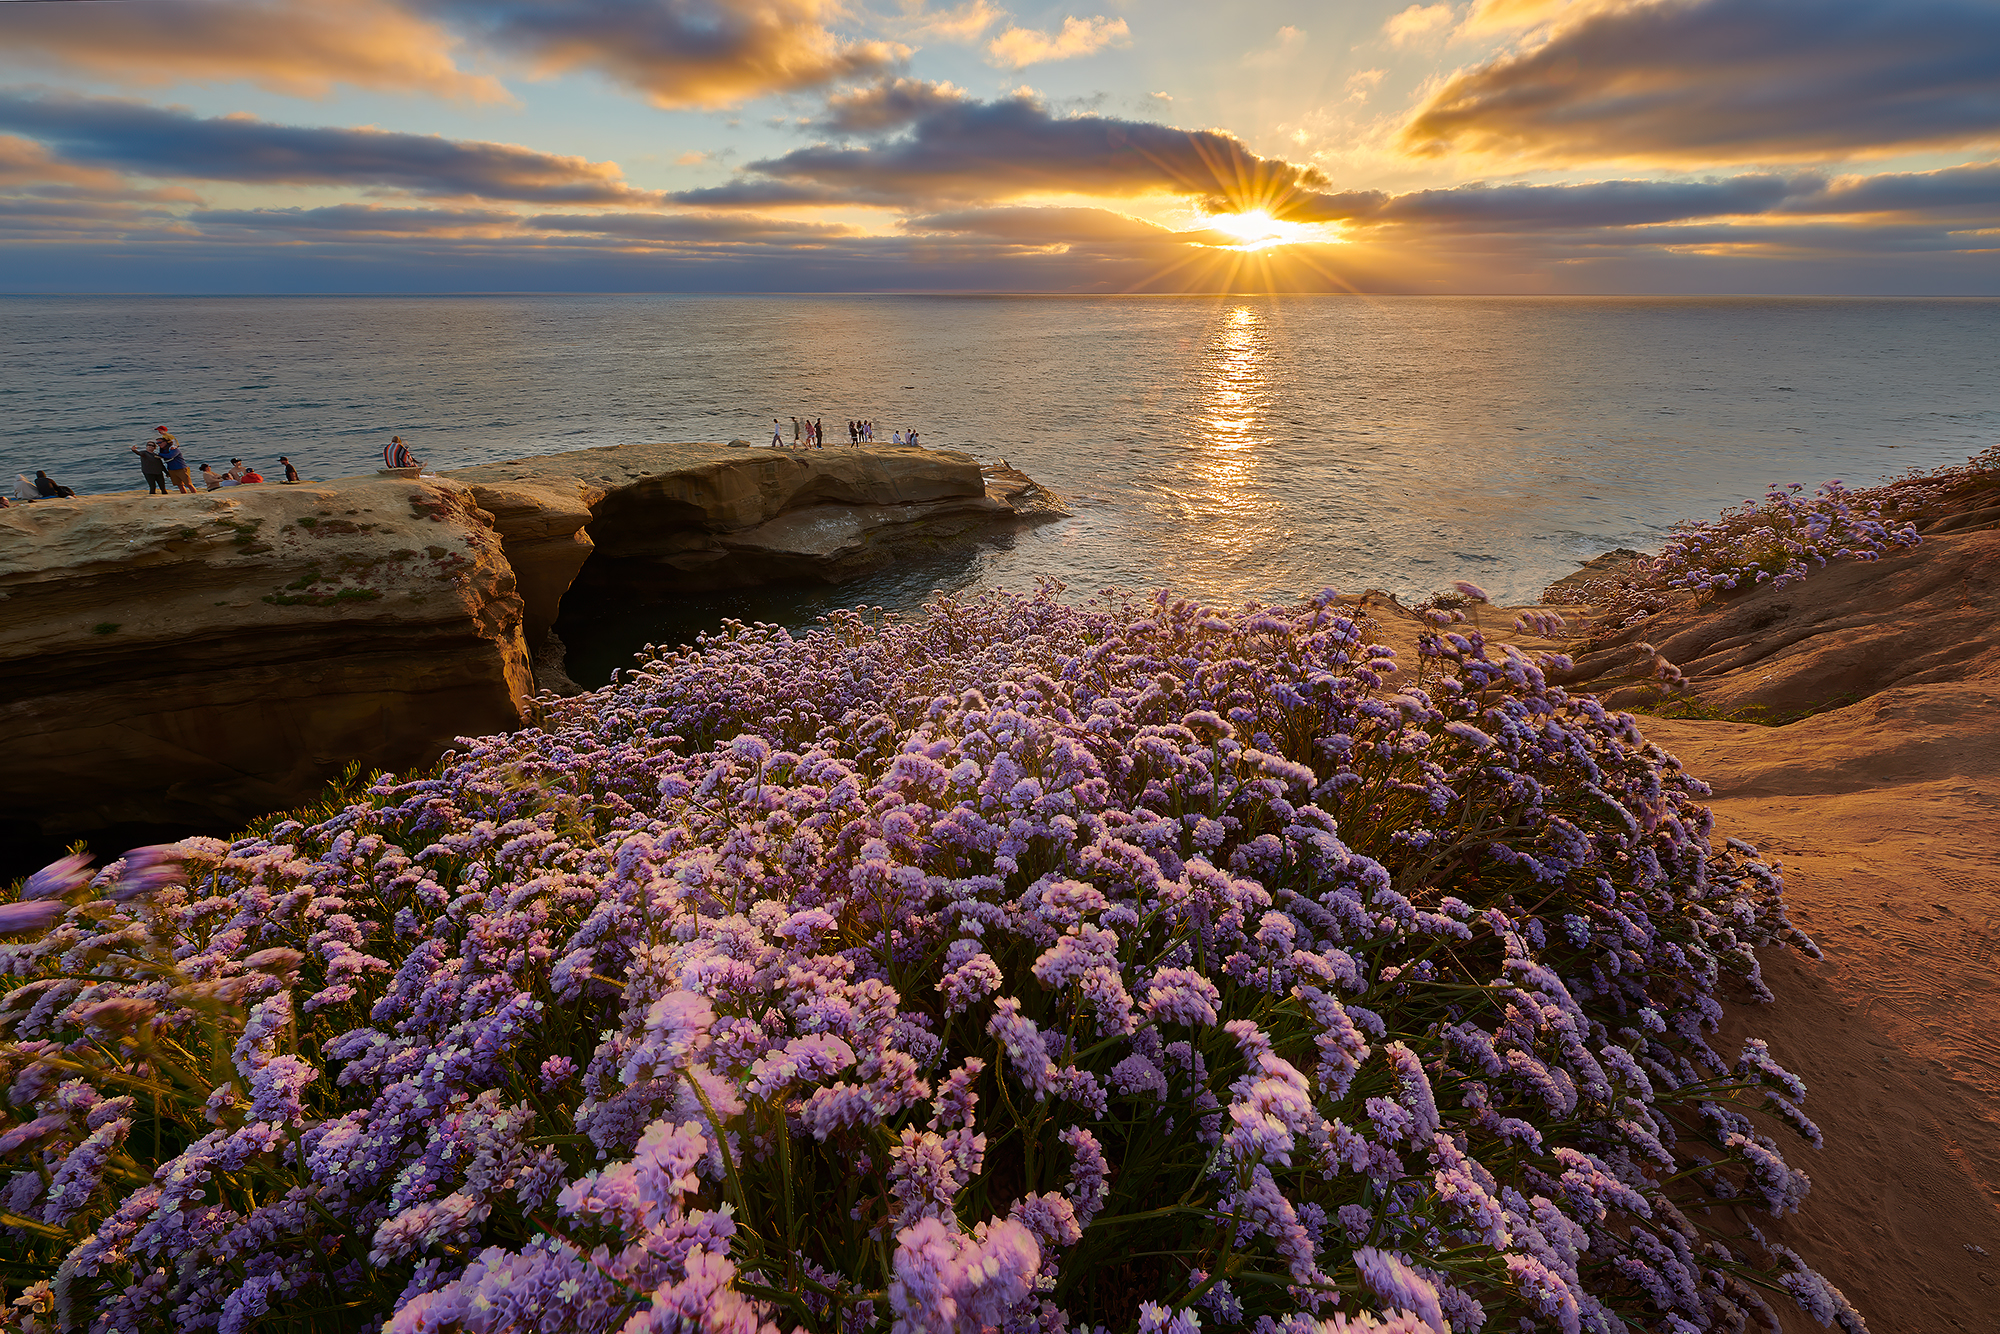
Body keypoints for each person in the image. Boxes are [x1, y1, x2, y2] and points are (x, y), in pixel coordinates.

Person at [155, 428, 195, 493]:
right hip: (171, 469)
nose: (159, 444)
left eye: (160, 442)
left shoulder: (173, 449)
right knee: (179, 485)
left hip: (181, 468)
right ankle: (184, 495)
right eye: (157, 443)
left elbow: (170, 456)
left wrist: (160, 454)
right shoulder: (164, 450)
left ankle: (194, 494)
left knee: (188, 484)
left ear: (166, 442)